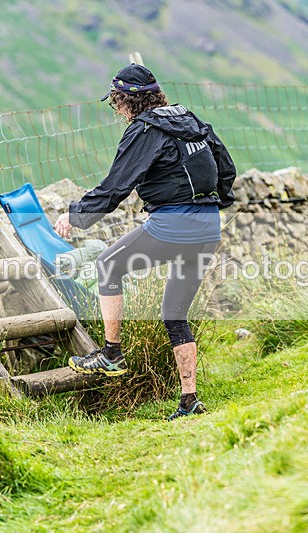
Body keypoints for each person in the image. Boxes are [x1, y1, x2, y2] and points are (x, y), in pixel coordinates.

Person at [53, 64, 236, 420]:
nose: (117, 111)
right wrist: (216, 203)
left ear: (127, 101)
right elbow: (225, 168)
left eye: (116, 103)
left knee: (108, 264)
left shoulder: (144, 130)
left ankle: (111, 353)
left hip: (173, 225)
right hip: (208, 227)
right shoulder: (190, 119)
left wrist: (75, 216)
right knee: (174, 313)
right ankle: (189, 400)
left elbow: (115, 187)